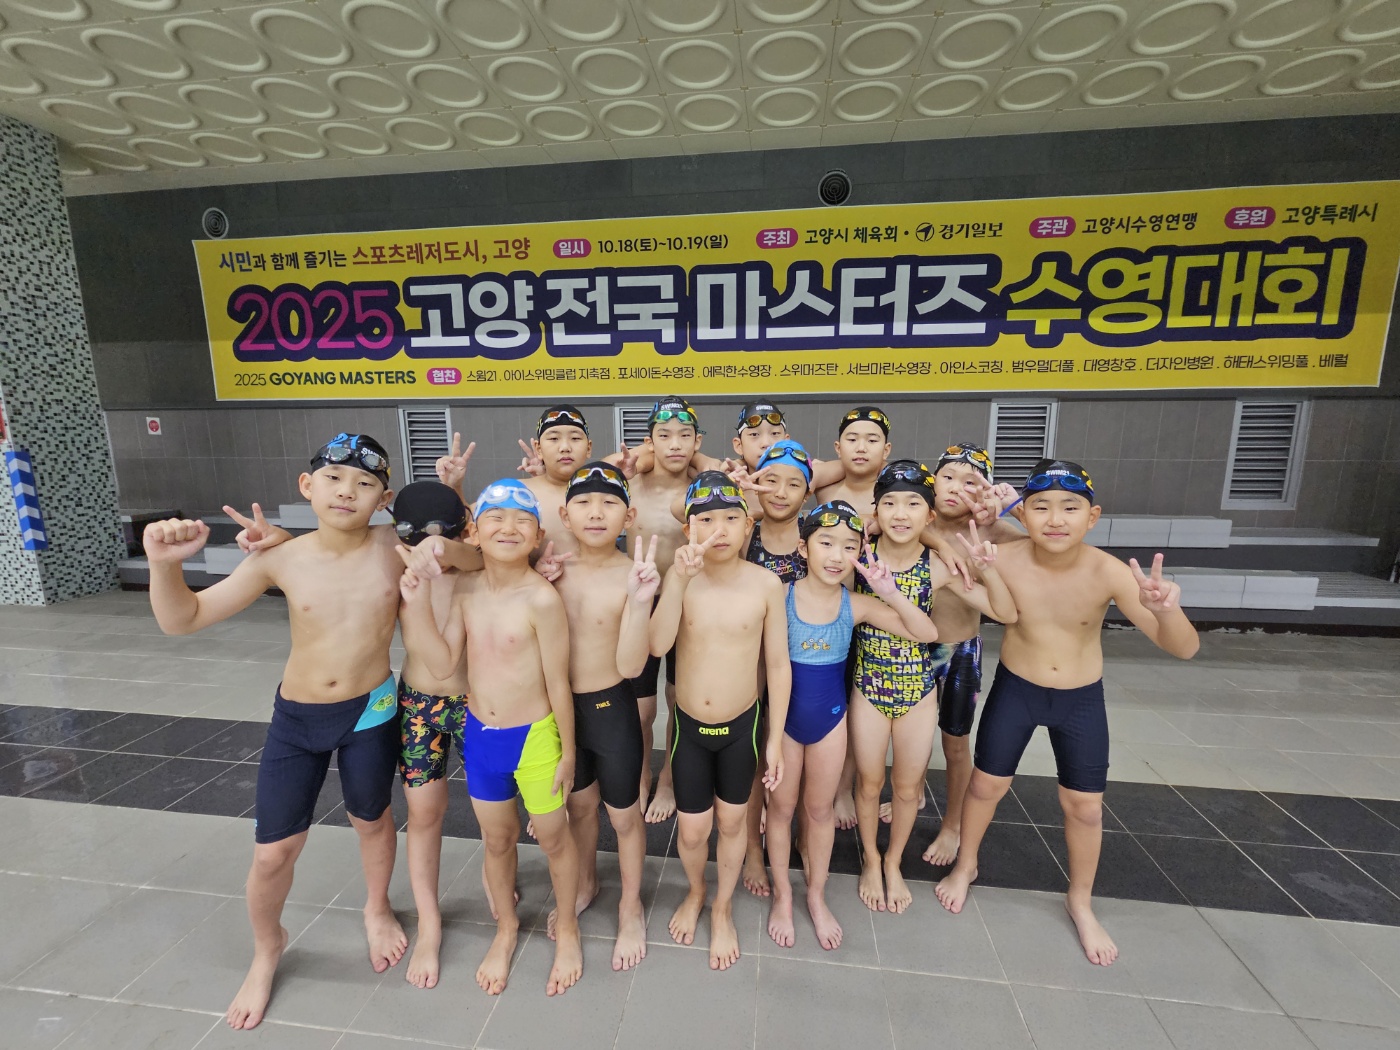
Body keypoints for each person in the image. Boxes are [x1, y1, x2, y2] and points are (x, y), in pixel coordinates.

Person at [144, 433, 408, 1031]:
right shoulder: (278, 559)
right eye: (333, 478)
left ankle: (377, 907)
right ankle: (268, 948)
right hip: (298, 718)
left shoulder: (394, 545)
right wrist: (164, 565)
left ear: (383, 498)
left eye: (365, 483)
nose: (347, 491)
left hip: (371, 707)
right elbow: (183, 618)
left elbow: (462, 536)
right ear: (307, 486)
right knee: (272, 855)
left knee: (372, 819)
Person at [935, 460, 1199, 967]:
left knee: (1085, 807)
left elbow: (1183, 649)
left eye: (1070, 508)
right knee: (986, 786)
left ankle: (1080, 900)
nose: (1055, 519)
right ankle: (966, 865)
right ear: (1024, 513)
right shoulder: (1004, 558)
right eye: (1041, 508)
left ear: (1092, 517)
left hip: (1080, 699)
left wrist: (1167, 611)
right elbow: (942, 557)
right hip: (1017, 690)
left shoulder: (1109, 572)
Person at [397, 478, 583, 996]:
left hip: (535, 739)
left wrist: (567, 752)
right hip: (481, 738)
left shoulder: (542, 599)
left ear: (538, 536)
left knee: (554, 838)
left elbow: (558, 682)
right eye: (496, 518)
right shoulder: (465, 590)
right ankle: (505, 928)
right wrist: (416, 601)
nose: (509, 527)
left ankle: (568, 928)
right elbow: (441, 662)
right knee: (497, 840)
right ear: (475, 532)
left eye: (522, 520)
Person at [767, 500, 939, 952]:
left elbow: (926, 634)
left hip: (830, 724)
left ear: (860, 552)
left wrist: (890, 592)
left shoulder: (857, 604)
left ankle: (816, 895)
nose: (836, 555)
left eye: (849, 546)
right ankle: (783, 895)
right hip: (784, 725)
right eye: (825, 543)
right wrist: (770, 737)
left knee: (820, 811)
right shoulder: (778, 596)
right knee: (781, 811)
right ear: (803, 548)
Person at [851, 460, 1017, 914]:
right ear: (876, 511)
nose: (900, 514)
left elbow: (1005, 613)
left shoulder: (937, 566)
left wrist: (988, 570)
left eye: (912, 504)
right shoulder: (859, 555)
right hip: (866, 686)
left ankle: (893, 862)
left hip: (918, 691)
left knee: (907, 790)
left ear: (928, 514)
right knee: (869, 785)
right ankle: (870, 860)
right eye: (889, 504)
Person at [648, 471, 790, 970]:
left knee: (732, 824)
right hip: (689, 729)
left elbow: (778, 665)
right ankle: (696, 891)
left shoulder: (766, 584)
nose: (719, 529)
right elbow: (657, 646)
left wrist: (775, 740)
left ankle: (723, 907)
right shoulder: (680, 578)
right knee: (692, 833)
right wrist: (677, 580)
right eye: (706, 520)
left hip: (741, 729)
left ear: (749, 526)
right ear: (688, 527)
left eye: (731, 518)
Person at [547, 461, 660, 972]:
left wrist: (639, 602)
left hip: (610, 708)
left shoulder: (632, 576)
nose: (596, 513)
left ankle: (630, 905)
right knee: (580, 807)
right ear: (564, 515)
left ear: (628, 516)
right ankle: (587, 880)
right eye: (584, 503)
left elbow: (632, 667)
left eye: (610, 503)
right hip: (560, 713)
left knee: (624, 815)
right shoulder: (548, 570)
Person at [919, 443, 1025, 866]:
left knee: (955, 744)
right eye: (948, 477)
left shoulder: (993, 531)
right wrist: (937, 541)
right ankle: (915, 794)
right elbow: (876, 517)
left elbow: (1048, 544)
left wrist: (1013, 508)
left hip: (960, 651)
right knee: (912, 738)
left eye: (970, 483)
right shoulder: (917, 515)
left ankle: (953, 825)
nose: (955, 488)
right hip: (911, 646)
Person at [390, 481, 473, 990]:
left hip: (476, 703)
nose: (427, 549)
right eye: (415, 537)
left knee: (496, 807)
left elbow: (468, 551)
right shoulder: (395, 568)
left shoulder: (475, 568)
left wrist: (442, 544)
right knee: (423, 813)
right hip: (418, 707)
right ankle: (429, 922)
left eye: (440, 536)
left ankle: (500, 879)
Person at [622, 396, 704, 823]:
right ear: (649, 441)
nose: (675, 444)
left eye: (685, 435)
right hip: (639, 601)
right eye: (664, 435)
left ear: (697, 441)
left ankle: (668, 780)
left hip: (687, 603)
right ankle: (640, 775)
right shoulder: (629, 482)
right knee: (640, 707)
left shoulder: (703, 488)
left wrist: (704, 461)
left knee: (678, 699)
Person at [738, 438, 813, 899]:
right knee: (751, 758)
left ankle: (797, 830)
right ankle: (752, 848)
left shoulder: (816, 535)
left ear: (808, 491)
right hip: (751, 663)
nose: (781, 492)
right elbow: (679, 510)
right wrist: (741, 496)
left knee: (797, 757)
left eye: (793, 484)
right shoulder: (744, 528)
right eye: (770, 481)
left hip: (804, 664)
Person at [515, 405, 594, 559]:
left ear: (589, 448)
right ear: (538, 449)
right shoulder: (520, 492)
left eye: (575, 438)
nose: (565, 447)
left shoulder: (608, 491)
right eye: (553, 439)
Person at [814, 405, 893, 518]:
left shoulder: (897, 494)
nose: (861, 448)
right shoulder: (823, 488)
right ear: (838, 448)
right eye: (852, 439)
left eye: (872, 440)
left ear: (886, 450)